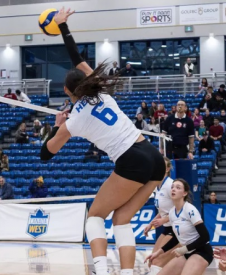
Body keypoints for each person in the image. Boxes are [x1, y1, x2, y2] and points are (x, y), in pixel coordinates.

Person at [41, 9, 166, 275]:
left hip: (131, 158)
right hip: (154, 157)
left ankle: (100, 270)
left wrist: (55, 128)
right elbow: (77, 58)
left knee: (95, 216)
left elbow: (46, 153)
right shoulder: (101, 91)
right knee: (121, 220)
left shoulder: (73, 121)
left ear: (66, 92)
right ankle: (126, 273)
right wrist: (64, 26)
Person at [144, 179, 213, 275]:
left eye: (178, 187)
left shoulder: (190, 210)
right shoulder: (172, 212)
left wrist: (184, 249)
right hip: (186, 252)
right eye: (172, 187)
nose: (173, 189)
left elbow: (205, 237)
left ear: (184, 193)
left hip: (201, 252)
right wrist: (158, 253)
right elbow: (176, 238)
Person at [143, 158, 175, 275]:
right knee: (152, 261)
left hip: (178, 229)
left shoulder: (171, 185)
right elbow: (163, 211)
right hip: (167, 228)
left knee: (157, 261)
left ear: (167, 168)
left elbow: (181, 210)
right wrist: (151, 223)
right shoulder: (157, 186)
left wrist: (164, 220)